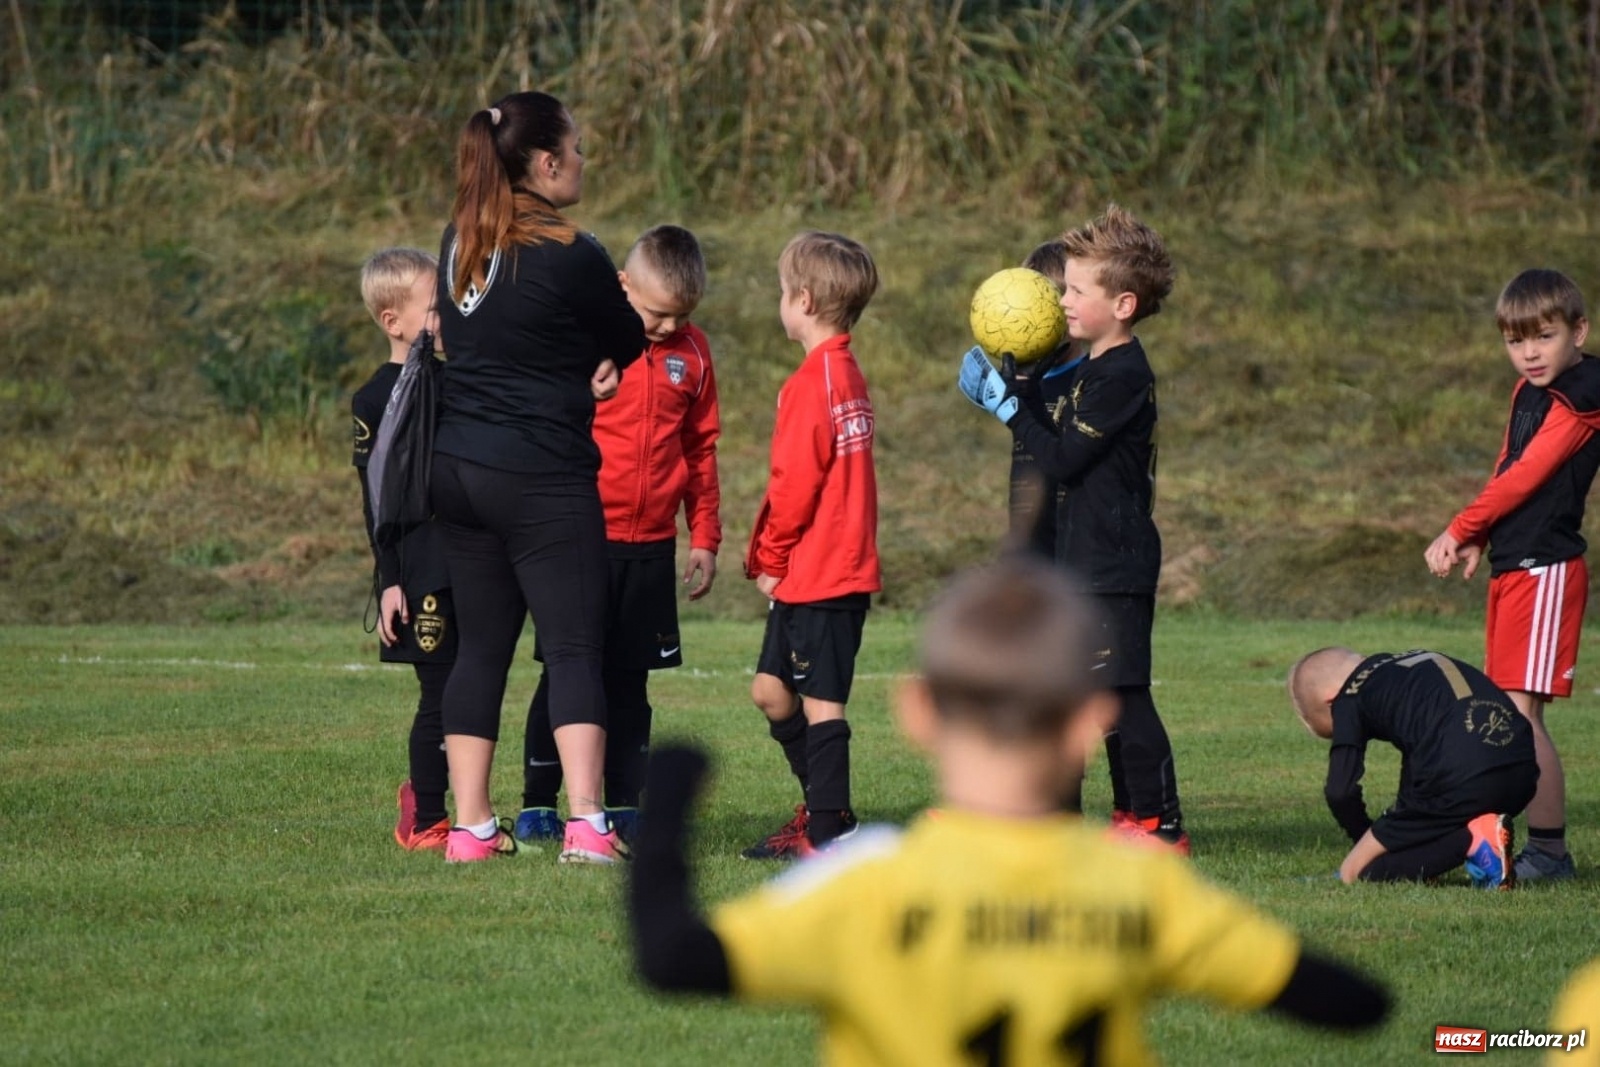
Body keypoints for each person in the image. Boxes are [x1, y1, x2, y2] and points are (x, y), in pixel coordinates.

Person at [629, 557, 1391, 1065]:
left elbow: (674, 956)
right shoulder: (1140, 885)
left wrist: (666, 800)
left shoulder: (867, 883)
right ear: (1089, 722)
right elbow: (1352, 1003)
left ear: (920, 713)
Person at [429, 90, 646, 864]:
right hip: (540, 475)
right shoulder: (572, 250)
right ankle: (588, 824)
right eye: (577, 149)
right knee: (575, 646)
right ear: (547, 163)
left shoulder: (458, 242)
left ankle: (470, 829)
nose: (584, 160)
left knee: (480, 648)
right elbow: (628, 334)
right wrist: (594, 361)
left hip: (456, 470)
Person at [959, 204, 1188, 852]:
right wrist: (1024, 385)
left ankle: (1160, 823)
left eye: (1075, 290)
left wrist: (1007, 406)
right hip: (1083, 561)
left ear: (1122, 303)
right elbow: (1057, 439)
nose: (1061, 299)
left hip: (1114, 563)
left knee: (1123, 697)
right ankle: (1112, 818)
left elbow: (1061, 458)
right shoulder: (1093, 368)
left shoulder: (1123, 374)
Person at [515, 224, 722, 846]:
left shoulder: (695, 353)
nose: (665, 328)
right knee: (566, 669)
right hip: (580, 534)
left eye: (679, 317)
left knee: (632, 678)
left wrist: (704, 535)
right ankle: (539, 800)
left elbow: (701, 449)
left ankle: (627, 801)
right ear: (622, 286)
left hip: (652, 544)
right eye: (655, 313)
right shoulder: (585, 342)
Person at [1424, 267, 1600, 883]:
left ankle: (1549, 853)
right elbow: (1509, 463)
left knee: (1523, 715)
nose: (1527, 353)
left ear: (1579, 332)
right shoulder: (1529, 391)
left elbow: (1532, 475)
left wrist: (1456, 525)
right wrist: (1479, 534)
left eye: (1543, 337)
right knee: (1508, 708)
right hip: (1514, 567)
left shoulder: (1584, 394)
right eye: (1514, 341)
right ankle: (1512, 843)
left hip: (1548, 570)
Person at [741, 230, 880, 860]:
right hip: (813, 575)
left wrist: (769, 558)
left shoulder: (816, 382)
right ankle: (826, 810)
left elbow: (795, 484)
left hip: (824, 573)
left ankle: (829, 833)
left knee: (822, 704)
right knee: (771, 692)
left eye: (779, 292)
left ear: (801, 299)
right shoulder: (843, 371)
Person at [352, 247, 455, 852]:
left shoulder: (458, 381)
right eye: (435, 308)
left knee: (470, 686)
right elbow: (376, 501)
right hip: (420, 571)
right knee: (438, 693)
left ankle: (461, 805)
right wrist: (390, 580)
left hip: (472, 560)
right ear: (394, 322)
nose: (446, 318)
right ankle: (424, 816)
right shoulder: (373, 400)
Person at [1286, 647, 1539, 888]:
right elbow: (1424, 751)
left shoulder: (1349, 694)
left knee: (1355, 874)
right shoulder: (1411, 665)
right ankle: (1479, 839)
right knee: (1420, 834)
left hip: (1461, 780)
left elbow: (1339, 792)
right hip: (1521, 775)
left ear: (1330, 702)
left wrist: (1364, 838)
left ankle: (1473, 840)